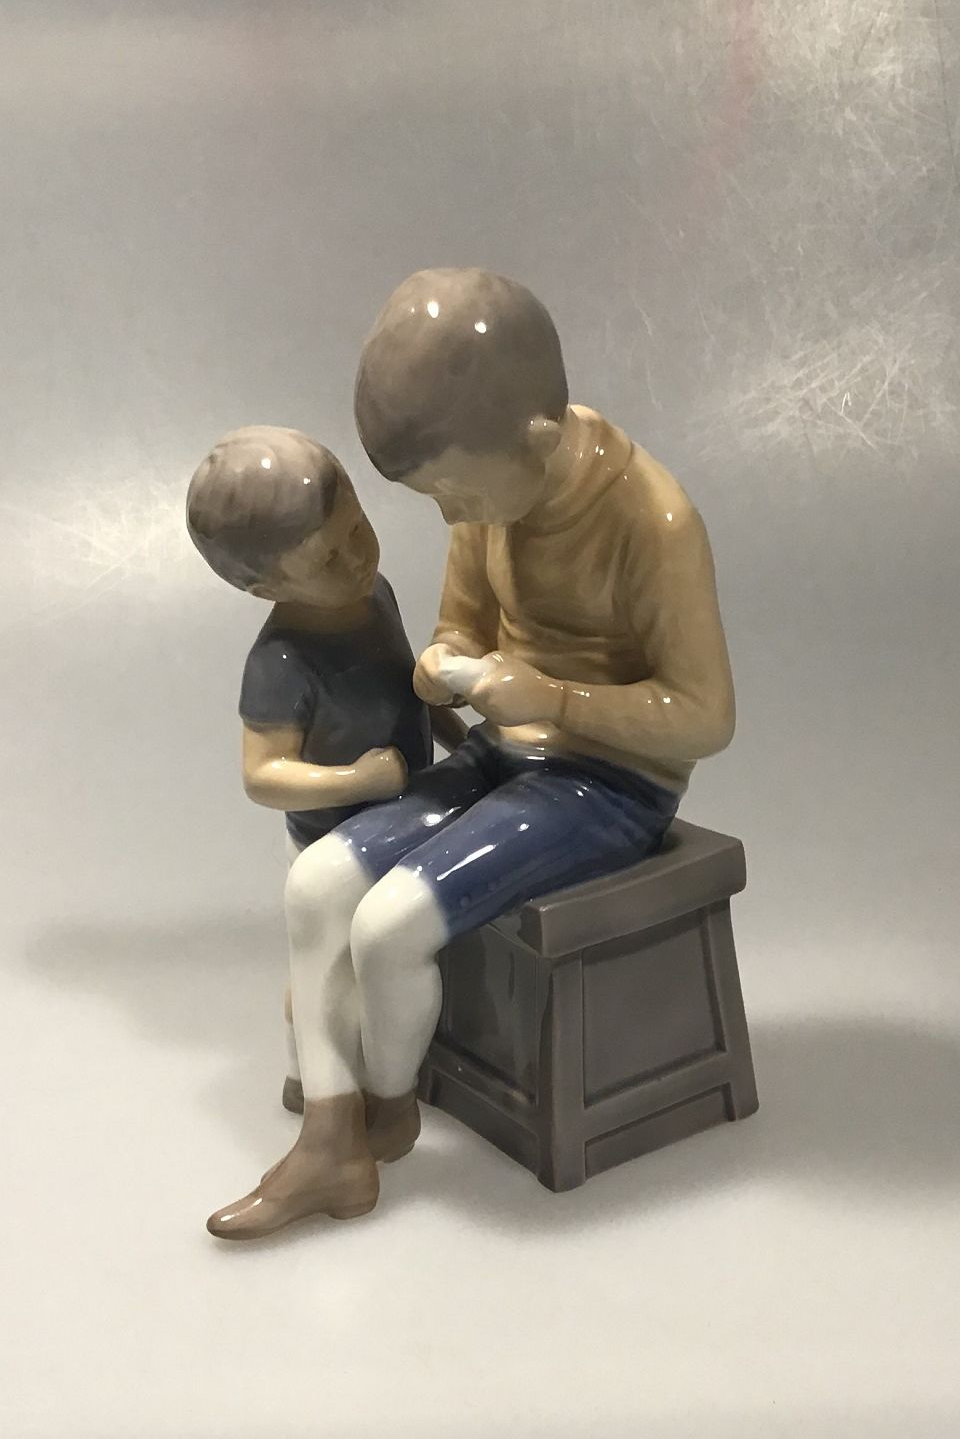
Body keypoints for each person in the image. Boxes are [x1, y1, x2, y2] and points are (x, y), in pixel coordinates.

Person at [206, 270, 736, 1239]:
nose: (450, 517)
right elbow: (459, 627)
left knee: (387, 927)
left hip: (611, 783)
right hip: (504, 747)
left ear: (535, 440)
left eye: (453, 490)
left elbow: (704, 716)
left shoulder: (653, 522)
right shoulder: (489, 493)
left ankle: (389, 1111)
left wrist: (556, 699)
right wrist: (447, 665)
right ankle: (331, 1141)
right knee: (316, 887)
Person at [187, 426, 460, 1122]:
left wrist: (452, 726)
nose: (359, 557)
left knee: (386, 953)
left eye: (359, 528)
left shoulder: (377, 596)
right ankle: (304, 1073)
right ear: (265, 587)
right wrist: (353, 783)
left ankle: (397, 1062)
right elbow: (263, 774)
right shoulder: (280, 663)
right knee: (328, 968)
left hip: (404, 813)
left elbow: (403, 684)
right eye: (329, 558)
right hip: (330, 838)